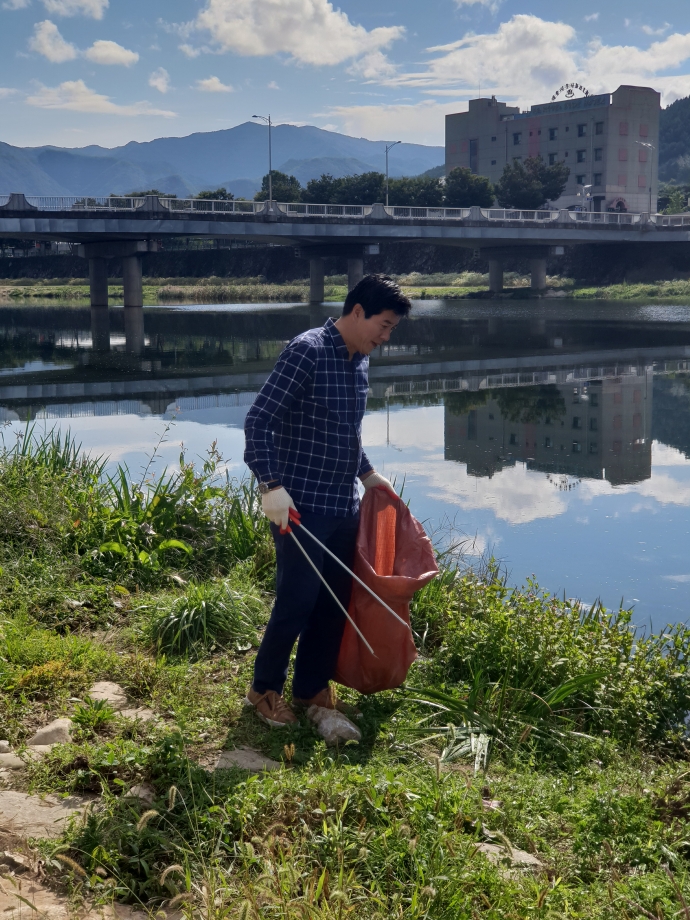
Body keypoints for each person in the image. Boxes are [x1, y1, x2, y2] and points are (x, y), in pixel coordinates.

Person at [243, 274, 412, 727]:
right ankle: (263, 688)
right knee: (296, 600)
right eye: (383, 324)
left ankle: (310, 687)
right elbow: (258, 421)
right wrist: (269, 485)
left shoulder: (360, 360)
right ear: (357, 311)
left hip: (343, 504)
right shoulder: (308, 351)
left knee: (334, 601)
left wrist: (368, 474)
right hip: (299, 505)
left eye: (392, 328)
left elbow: (344, 432)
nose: (386, 335)